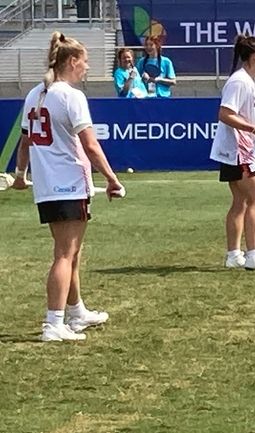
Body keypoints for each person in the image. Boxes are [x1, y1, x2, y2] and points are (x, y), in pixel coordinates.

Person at [12, 31, 125, 342]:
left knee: (71, 252)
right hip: (69, 183)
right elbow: (90, 145)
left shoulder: (35, 93)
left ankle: (75, 312)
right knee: (65, 253)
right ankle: (53, 322)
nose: (87, 67)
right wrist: (112, 179)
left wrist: (21, 175)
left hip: (48, 185)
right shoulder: (72, 96)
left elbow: (24, 142)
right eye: (85, 62)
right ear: (72, 61)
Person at [209, 34, 255, 271]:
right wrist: (253, 128)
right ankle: (253, 255)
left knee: (240, 201)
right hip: (239, 151)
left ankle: (234, 254)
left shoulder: (249, 80)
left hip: (239, 150)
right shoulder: (240, 81)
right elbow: (225, 113)